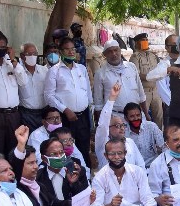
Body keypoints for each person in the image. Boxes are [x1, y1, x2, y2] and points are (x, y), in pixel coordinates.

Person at [90, 139, 168, 206]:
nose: (117, 157)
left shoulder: (137, 172)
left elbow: (148, 199)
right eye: (112, 154)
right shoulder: (99, 178)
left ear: (125, 153)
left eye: (120, 153)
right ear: (105, 155)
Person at [44, 37, 93, 165]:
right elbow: (49, 96)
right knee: (66, 149)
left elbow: (87, 91)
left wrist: (90, 113)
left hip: (83, 116)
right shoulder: (54, 71)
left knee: (84, 147)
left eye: (73, 49)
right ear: (60, 52)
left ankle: (85, 178)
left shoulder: (81, 69)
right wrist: (65, 110)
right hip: (65, 117)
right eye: (67, 49)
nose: (71, 52)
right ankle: (68, 177)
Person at [94, 83, 146, 169]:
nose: (122, 128)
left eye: (123, 125)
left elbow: (141, 166)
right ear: (108, 129)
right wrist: (112, 98)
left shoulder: (130, 142)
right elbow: (103, 123)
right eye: (117, 126)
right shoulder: (103, 143)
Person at [93, 40, 148, 120]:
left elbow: (141, 93)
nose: (114, 54)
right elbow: (98, 102)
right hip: (116, 117)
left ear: (120, 51)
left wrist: (146, 114)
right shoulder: (100, 73)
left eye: (116, 50)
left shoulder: (131, 67)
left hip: (137, 115)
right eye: (110, 52)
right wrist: (101, 123)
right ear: (105, 55)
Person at [130, 33, 163, 128]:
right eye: (142, 40)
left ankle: (159, 139)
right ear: (137, 43)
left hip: (155, 91)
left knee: (159, 118)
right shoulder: (135, 57)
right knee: (143, 118)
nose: (145, 42)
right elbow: (136, 74)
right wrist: (150, 76)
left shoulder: (153, 56)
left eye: (146, 40)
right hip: (144, 92)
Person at [18, 42, 49, 131]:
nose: (32, 56)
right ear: (22, 56)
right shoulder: (18, 72)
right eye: (28, 54)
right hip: (26, 114)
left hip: (44, 112)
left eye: (34, 53)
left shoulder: (45, 70)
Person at [124, 101, 164, 167]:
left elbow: (163, 146)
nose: (136, 118)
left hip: (153, 166)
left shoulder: (151, 126)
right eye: (132, 116)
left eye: (138, 115)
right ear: (126, 118)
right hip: (134, 169)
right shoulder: (124, 133)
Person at [159, 35, 177, 122]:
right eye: (173, 44)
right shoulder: (163, 65)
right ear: (166, 47)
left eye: (178, 43)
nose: (176, 46)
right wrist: (174, 104)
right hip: (171, 107)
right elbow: (162, 89)